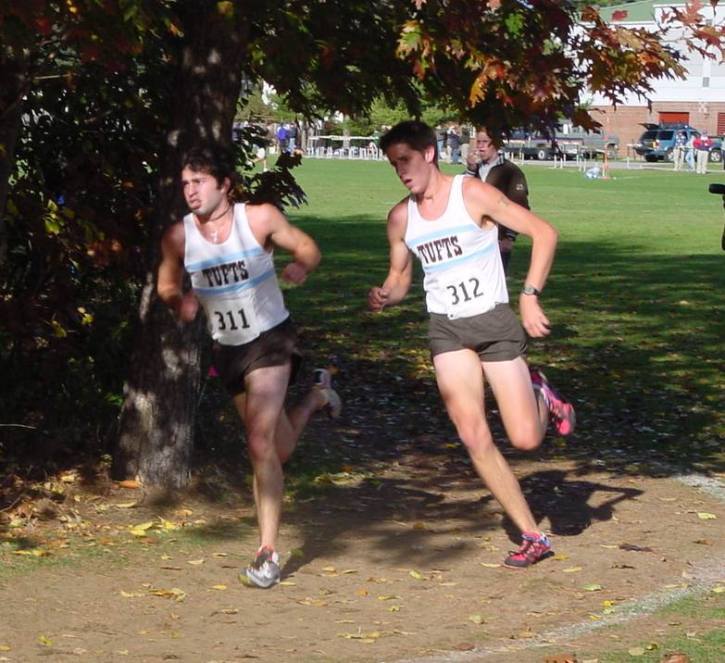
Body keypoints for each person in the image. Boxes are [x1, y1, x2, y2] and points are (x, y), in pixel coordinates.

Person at [368, 121, 575, 568]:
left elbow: (545, 233)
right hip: (447, 330)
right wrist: (386, 294)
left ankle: (542, 396)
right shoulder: (401, 217)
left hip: (495, 323)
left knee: (524, 439)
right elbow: (401, 276)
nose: (401, 171)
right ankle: (532, 535)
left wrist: (529, 294)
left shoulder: (472, 194)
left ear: (428, 153)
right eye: (393, 164)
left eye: (405, 160)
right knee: (472, 433)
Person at [157, 146, 342, 588]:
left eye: (199, 182)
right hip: (228, 350)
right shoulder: (179, 236)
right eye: (185, 183)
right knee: (275, 449)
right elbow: (166, 279)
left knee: (258, 443)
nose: (190, 191)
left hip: (271, 341)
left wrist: (302, 265)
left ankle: (267, 553)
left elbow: (308, 246)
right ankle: (317, 396)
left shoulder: (257, 218)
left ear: (225, 184)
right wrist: (176, 300)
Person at [465, 126, 529, 274]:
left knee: (495, 288)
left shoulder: (510, 171)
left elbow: (520, 206)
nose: (480, 146)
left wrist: (510, 238)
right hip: (472, 239)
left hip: (498, 241)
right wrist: (469, 170)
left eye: (484, 142)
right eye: (478, 142)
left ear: (496, 144)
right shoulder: (473, 171)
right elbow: (460, 197)